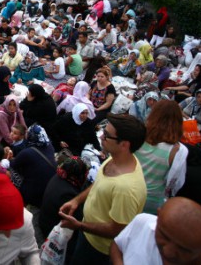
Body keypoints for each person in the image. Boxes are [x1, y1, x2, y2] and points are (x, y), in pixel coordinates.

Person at [59, 113, 147, 264]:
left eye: (106, 135)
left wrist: (79, 225)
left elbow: (116, 229)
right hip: (87, 232)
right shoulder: (115, 157)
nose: (101, 137)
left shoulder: (127, 189)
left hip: (99, 249)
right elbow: (100, 183)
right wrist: (77, 201)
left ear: (124, 144)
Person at [111, 197, 201, 265]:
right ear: (158, 217)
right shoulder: (142, 222)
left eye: (183, 249)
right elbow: (117, 244)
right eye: (164, 237)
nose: (168, 252)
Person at [134, 100, 188, 214]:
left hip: (129, 192)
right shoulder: (177, 150)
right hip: (153, 200)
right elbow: (177, 183)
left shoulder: (138, 136)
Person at [39, 155, 88, 240]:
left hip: (45, 221)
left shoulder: (60, 176)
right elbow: (79, 219)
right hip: (52, 232)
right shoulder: (68, 194)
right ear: (79, 175)